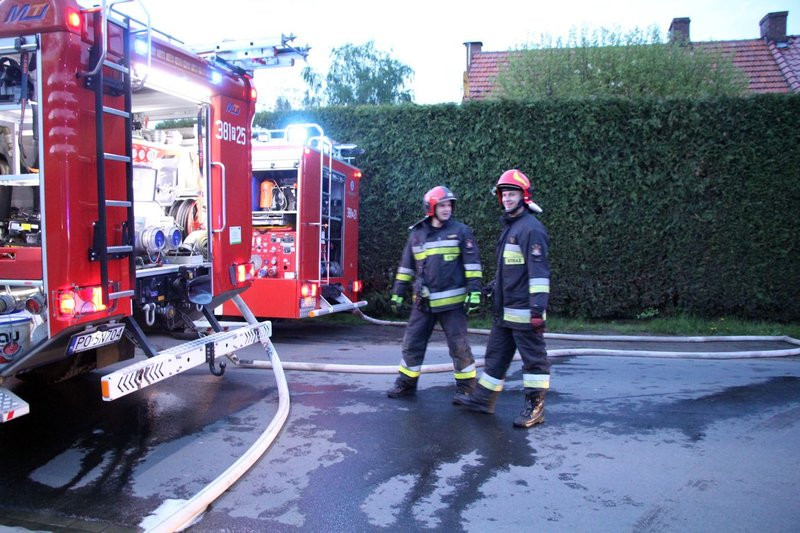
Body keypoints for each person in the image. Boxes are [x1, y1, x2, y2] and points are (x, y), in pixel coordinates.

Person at [458, 169, 551, 428]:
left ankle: (535, 408)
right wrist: (492, 287)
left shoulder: (531, 229)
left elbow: (539, 274)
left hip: (524, 312)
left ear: (524, 196)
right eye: (504, 195)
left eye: (512, 194)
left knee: (533, 360)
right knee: (496, 357)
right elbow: (511, 269)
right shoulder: (512, 227)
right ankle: (482, 401)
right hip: (504, 311)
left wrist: (537, 310)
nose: (507, 199)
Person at [387, 185, 483, 402]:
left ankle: (466, 388)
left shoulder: (461, 231)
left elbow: (472, 265)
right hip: (423, 302)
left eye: (449, 205)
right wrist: (398, 292)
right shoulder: (417, 234)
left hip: (452, 304)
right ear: (431, 208)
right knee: (412, 343)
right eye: (442, 205)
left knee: (459, 346)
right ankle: (407, 384)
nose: (447, 209)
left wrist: (475, 292)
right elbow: (406, 266)